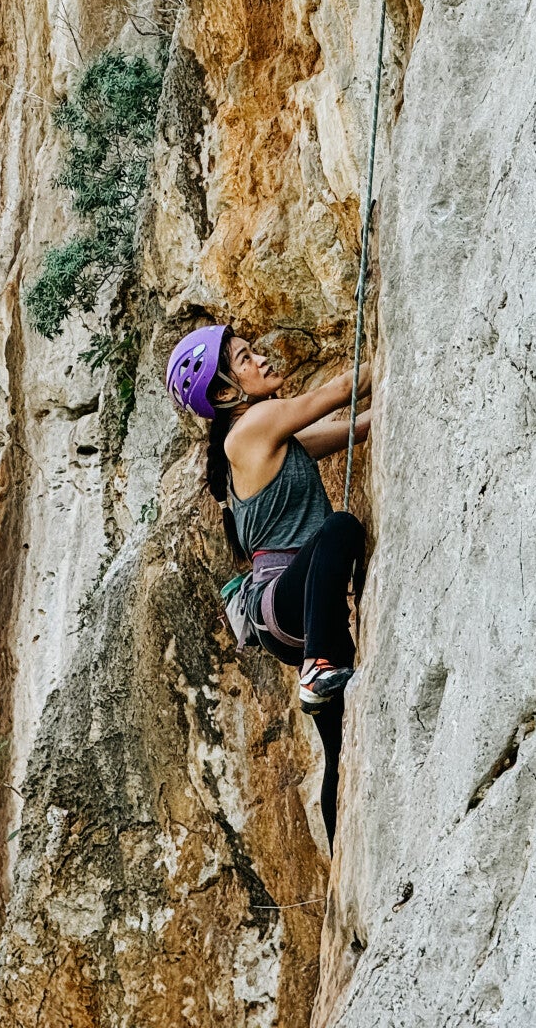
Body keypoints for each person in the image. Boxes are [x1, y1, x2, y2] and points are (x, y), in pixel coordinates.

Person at [166, 324, 372, 843]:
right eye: (244, 359)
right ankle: (318, 667)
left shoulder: (268, 440)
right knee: (340, 527)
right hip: (286, 600)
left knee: (340, 750)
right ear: (223, 393)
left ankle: (339, 877)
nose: (261, 359)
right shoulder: (252, 426)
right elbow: (340, 392)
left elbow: (356, 425)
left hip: (295, 611)